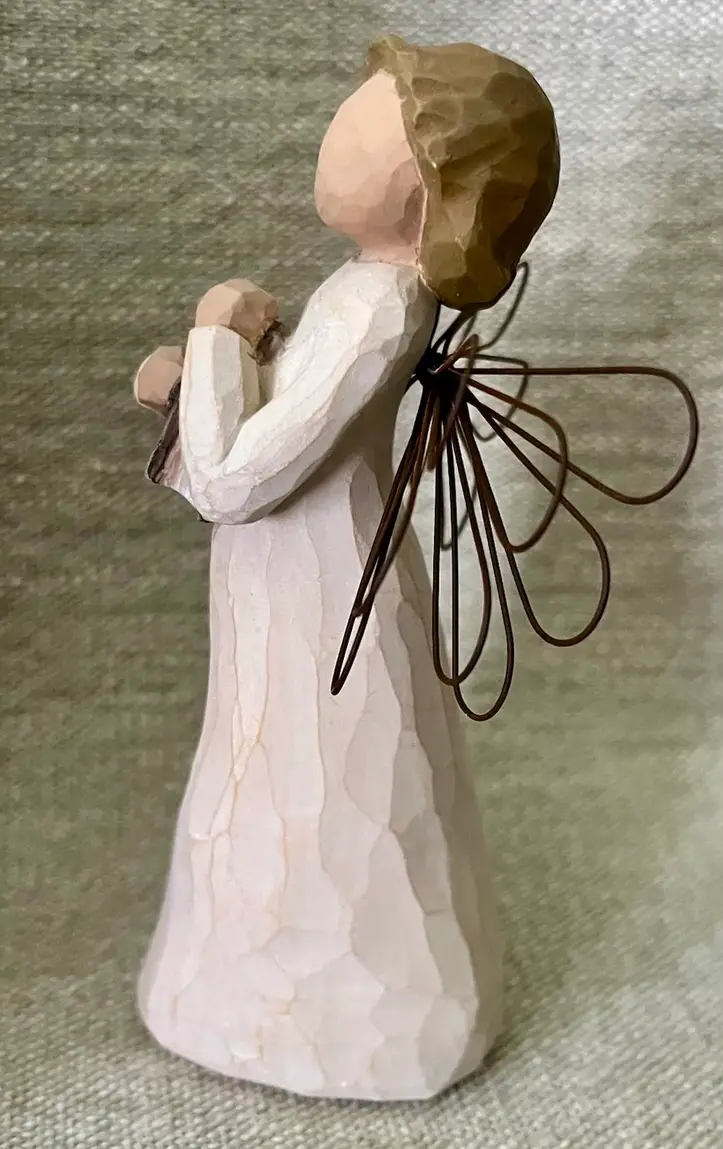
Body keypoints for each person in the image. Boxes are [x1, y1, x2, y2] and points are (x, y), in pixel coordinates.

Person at [136, 36, 559, 1101]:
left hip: (322, 605)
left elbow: (237, 480)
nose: (339, 126)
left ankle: (342, 1015)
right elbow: (270, 445)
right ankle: (260, 997)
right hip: (296, 585)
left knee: (317, 792)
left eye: (375, 115)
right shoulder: (362, 292)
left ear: (432, 187)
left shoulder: (378, 307)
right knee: (279, 789)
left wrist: (217, 335)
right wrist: (199, 384)